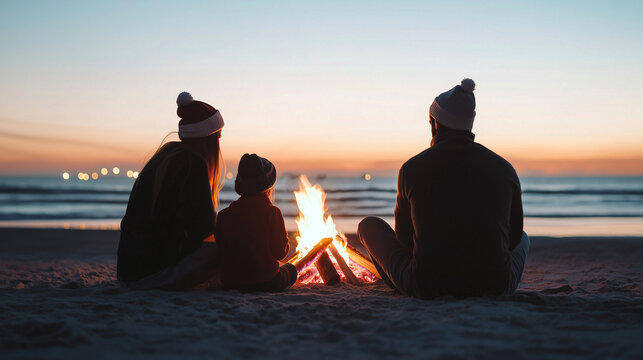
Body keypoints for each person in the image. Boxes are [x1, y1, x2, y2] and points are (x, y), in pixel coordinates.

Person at [358, 79, 529, 299]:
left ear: (434, 123)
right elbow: (514, 239)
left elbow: (404, 240)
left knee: (368, 225)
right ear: (469, 125)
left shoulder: (412, 169)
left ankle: (396, 283)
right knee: (525, 237)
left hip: (427, 286)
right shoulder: (505, 169)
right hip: (494, 286)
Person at [117, 92, 224, 290]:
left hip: (127, 272)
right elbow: (202, 229)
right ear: (207, 138)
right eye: (218, 135)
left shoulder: (166, 156)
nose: (219, 140)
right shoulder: (193, 164)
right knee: (225, 249)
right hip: (150, 275)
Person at [215, 153, 297, 292]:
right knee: (291, 270)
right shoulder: (272, 213)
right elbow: (279, 253)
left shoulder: (223, 216)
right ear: (268, 187)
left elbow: (221, 251)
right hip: (267, 281)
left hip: (231, 282)